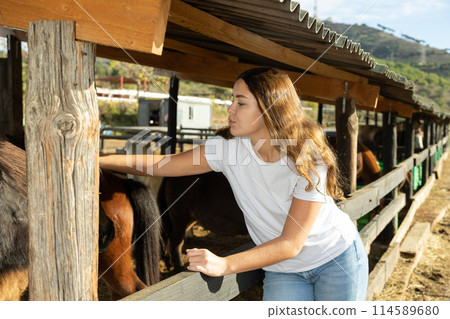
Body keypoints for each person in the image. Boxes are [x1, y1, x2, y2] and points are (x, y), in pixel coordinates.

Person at [99, 68, 368, 301]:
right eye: (232, 100)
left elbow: (290, 243)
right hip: (284, 269)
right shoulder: (227, 149)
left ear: (270, 108)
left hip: (335, 260)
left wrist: (225, 264)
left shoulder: (306, 157)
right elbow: (163, 164)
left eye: (240, 102)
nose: (230, 109)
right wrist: (97, 161)